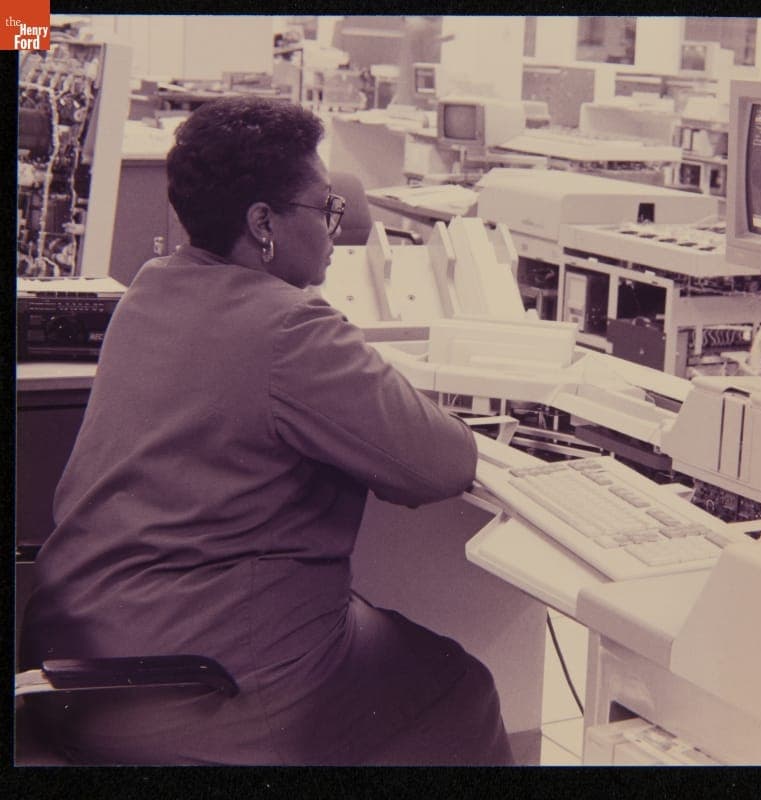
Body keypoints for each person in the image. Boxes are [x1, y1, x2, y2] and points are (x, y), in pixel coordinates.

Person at [19, 95, 513, 766]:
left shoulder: (148, 290)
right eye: (324, 210)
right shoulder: (290, 329)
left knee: (367, 624)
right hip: (196, 687)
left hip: (69, 668)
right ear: (262, 224)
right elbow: (442, 464)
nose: (336, 229)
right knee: (461, 687)